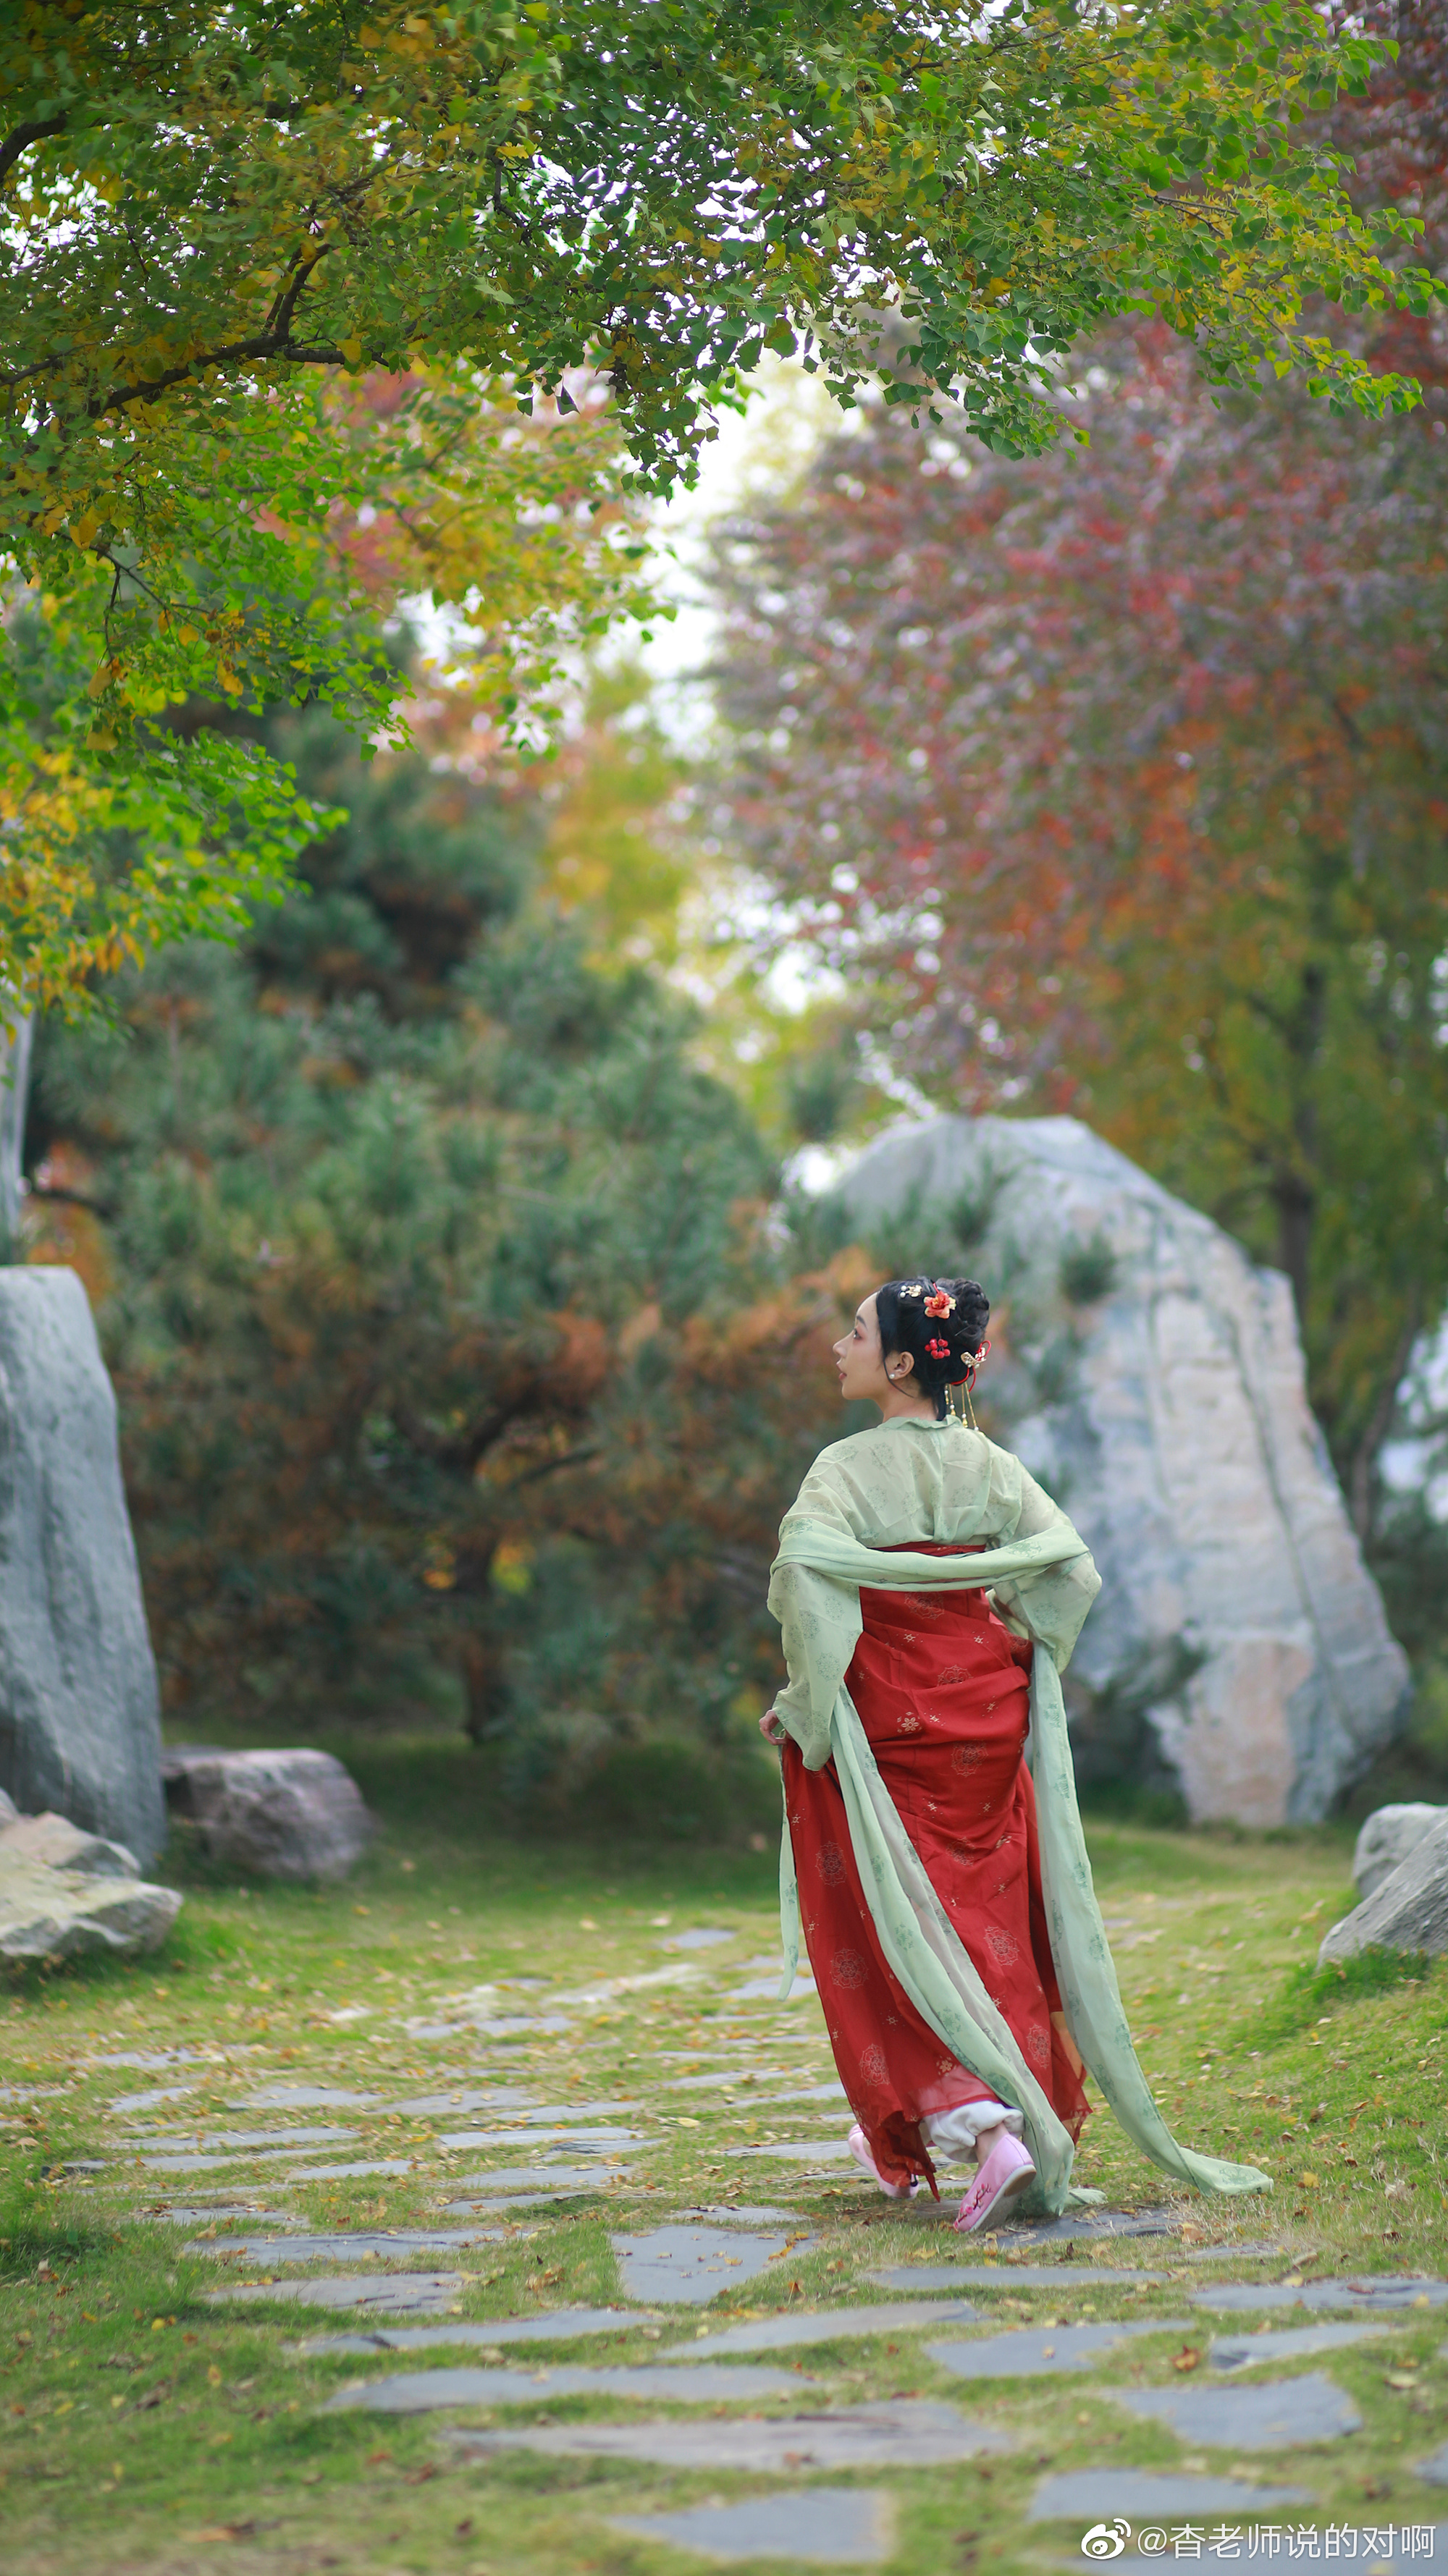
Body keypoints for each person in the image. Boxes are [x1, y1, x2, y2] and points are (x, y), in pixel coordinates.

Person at [759, 1272, 1269, 2231]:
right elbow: (1072, 1571)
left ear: (901, 1363)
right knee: (986, 1923)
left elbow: (808, 1585)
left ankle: (984, 2126)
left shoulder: (845, 1471)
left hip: (896, 1719)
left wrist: (806, 1707)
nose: (839, 1346)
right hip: (985, 1719)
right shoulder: (991, 1467)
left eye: (857, 1333)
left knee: (900, 1927)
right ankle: (901, 2131)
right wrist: (1018, 1635)